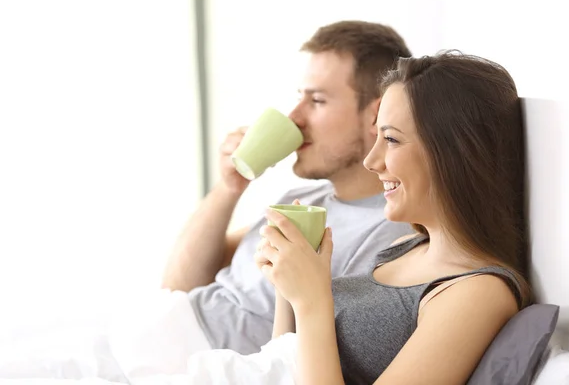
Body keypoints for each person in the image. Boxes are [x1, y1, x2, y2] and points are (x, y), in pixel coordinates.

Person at [171, 50, 531, 385]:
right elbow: (286, 363)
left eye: (390, 139)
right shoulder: (404, 246)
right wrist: (288, 289)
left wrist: (312, 301)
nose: (372, 161)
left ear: (453, 154)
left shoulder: (478, 292)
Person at [161, 20, 415, 354]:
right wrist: (229, 187)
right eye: (300, 98)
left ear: (377, 114)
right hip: (162, 334)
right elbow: (177, 287)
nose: (294, 116)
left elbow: (309, 354)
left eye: (318, 100)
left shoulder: (391, 231)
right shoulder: (300, 201)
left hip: (195, 362)